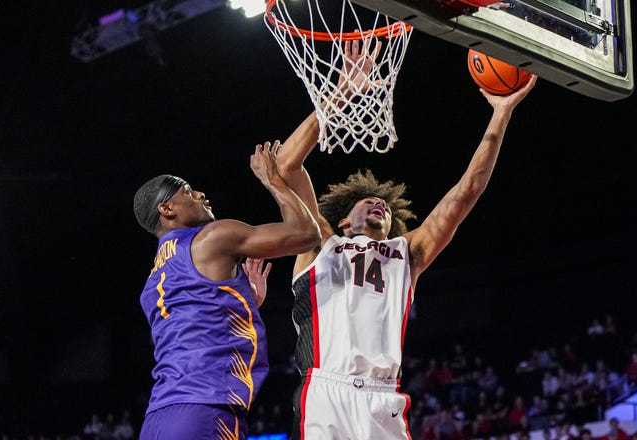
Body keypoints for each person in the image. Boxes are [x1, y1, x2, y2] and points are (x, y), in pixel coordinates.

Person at [270, 37, 537, 438]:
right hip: (326, 390)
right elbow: (287, 164)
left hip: (384, 398)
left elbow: (468, 190)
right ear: (343, 222)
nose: (378, 203)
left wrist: (501, 114)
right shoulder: (318, 242)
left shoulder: (407, 254)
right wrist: (341, 92)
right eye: (368, 202)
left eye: (384, 205)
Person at [132, 142, 321, 440]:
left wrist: (245, 303)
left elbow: (193, 327)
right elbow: (307, 234)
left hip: (158, 417)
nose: (200, 194)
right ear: (167, 209)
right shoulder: (211, 237)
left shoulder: (153, 280)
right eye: (187, 192)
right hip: (204, 409)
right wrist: (271, 179)